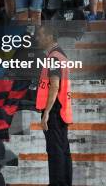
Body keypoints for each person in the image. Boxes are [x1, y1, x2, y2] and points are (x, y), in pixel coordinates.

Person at [35, 24, 73, 186]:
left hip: (55, 111)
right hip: (62, 110)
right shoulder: (60, 55)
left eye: (40, 35)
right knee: (63, 151)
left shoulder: (54, 57)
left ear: (49, 36)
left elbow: (55, 85)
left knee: (55, 152)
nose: (37, 38)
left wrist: (47, 112)